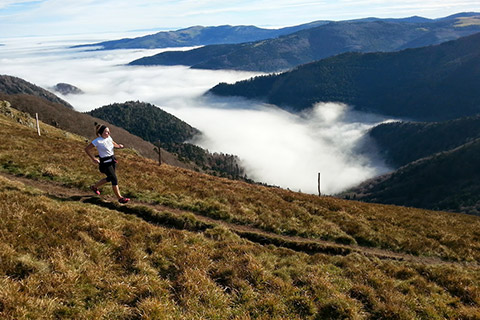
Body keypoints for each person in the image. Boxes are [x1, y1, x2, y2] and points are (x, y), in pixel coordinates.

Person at [85, 123, 130, 203]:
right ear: (101, 132)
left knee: (110, 178)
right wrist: (93, 158)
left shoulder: (109, 137)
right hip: (105, 163)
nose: (108, 133)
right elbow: (87, 149)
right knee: (114, 179)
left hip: (112, 160)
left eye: (109, 131)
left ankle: (94, 187)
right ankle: (120, 198)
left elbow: (112, 143)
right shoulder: (97, 141)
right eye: (106, 132)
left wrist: (118, 146)